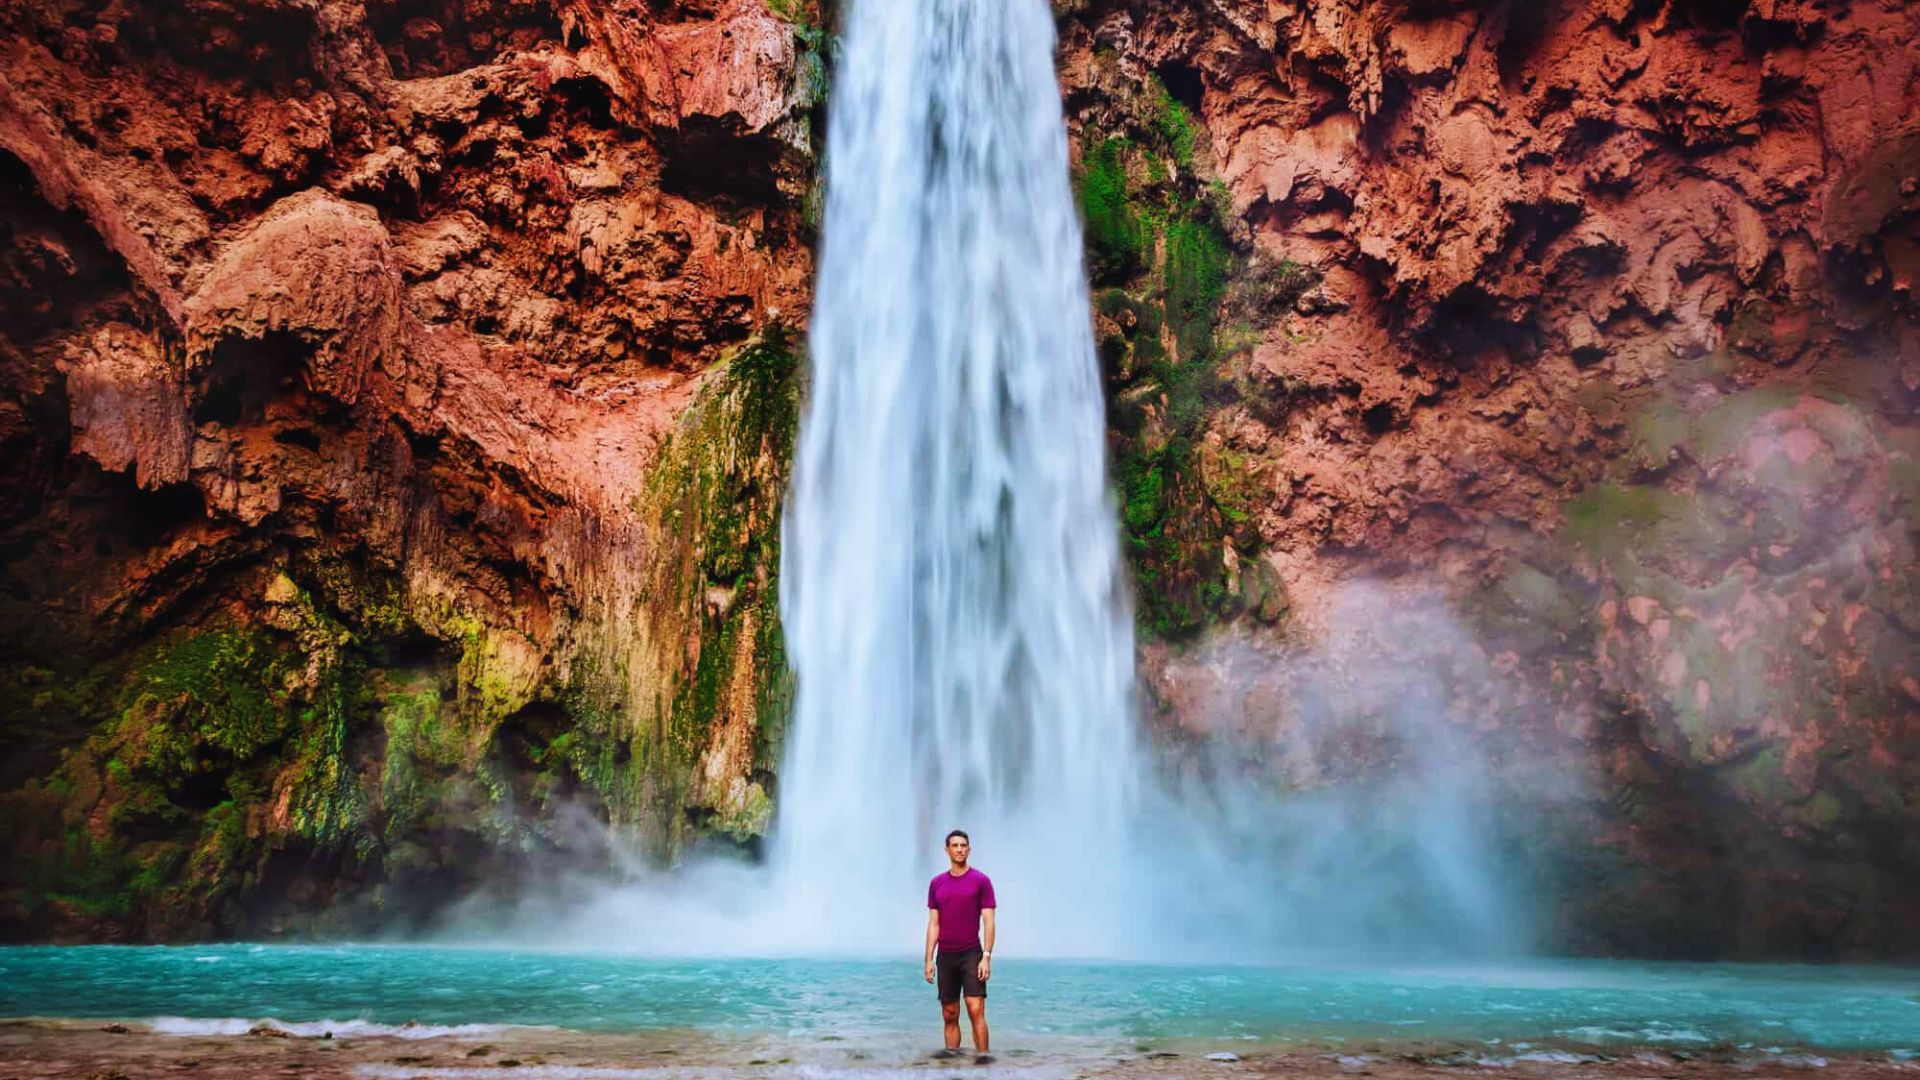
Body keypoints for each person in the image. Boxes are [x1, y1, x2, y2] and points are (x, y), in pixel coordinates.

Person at [923, 829, 996, 1058]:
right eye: (955, 846)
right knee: (949, 1013)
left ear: (969, 849)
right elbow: (934, 924)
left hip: (972, 953)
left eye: (963, 845)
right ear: (947, 850)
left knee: (976, 1009)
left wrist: (986, 955)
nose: (959, 849)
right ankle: (952, 1065)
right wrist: (928, 959)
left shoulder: (981, 881)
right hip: (945, 955)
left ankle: (983, 1063)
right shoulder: (937, 883)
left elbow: (989, 921)